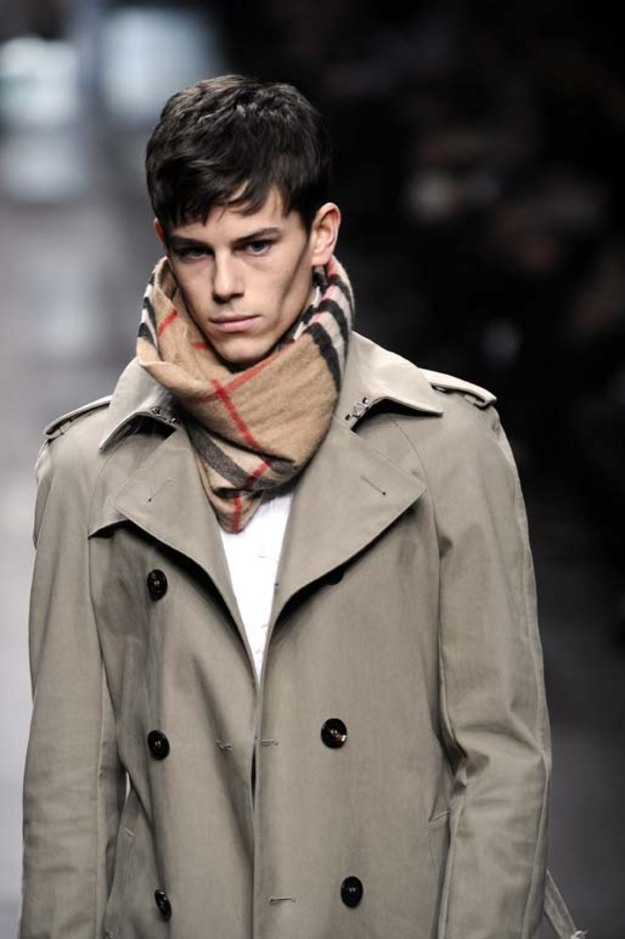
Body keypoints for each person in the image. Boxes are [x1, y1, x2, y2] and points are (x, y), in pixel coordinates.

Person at [20, 75, 581, 939]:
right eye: (196, 252)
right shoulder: (92, 468)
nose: (225, 285)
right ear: (163, 244)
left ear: (320, 235)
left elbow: (500, 755)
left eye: (256, 245)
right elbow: (69, 780)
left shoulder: (444, 444)